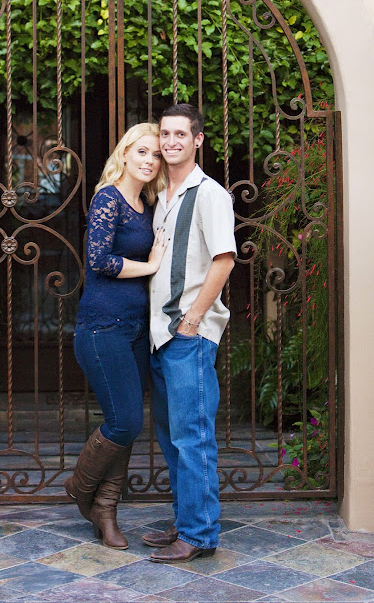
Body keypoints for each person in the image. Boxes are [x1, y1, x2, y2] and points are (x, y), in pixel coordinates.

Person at [65, 122, 168, 549]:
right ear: (124, 153)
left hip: (133, 329)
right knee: (125, 421)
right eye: (141, 151)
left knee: (123, 422)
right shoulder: (108, 198)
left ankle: (106, 512)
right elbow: (99, 261)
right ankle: (79, 486)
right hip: (100, 326)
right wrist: (150, 266)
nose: (149, 160)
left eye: (155, 155)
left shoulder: (147, 203)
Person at [142, 103, 236, 563]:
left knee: (192, 436)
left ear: (198, 140)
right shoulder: (164, 197)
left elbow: (224, 258)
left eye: (181, 134)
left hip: (188, 335)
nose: (171, 141)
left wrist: (194, 318)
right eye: (165, 134)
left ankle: (199, 534)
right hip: (163, 335)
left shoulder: (209, 194)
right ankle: (187, 523)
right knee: (172, 437)